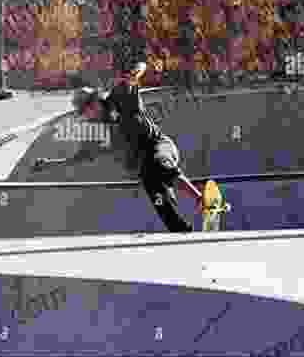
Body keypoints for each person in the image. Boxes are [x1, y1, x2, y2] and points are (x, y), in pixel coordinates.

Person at [34, 62, 229, 233]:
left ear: (96, 100)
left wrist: (137, 70)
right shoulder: (99, 132)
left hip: (160, 145)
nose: (88, 115)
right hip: (146, 165)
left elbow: (139, 70)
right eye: (84, 113)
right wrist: (50, 164)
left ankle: (203, 200)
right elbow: (80, 157)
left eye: (88, 108)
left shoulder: (120, 95)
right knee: (157, 195)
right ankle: (181, 231)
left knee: (155, 163)